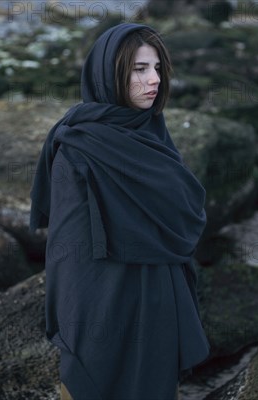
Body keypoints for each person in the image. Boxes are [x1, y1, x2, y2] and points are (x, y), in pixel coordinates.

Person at [29, 22, 210, 399]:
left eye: (157, 68)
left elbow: (182, 214)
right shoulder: (77, 147)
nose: (154, 79)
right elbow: (69, 253)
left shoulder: (152, 130)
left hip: (157, 296)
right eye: (140, 69)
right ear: (110, 75)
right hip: (105, 304)